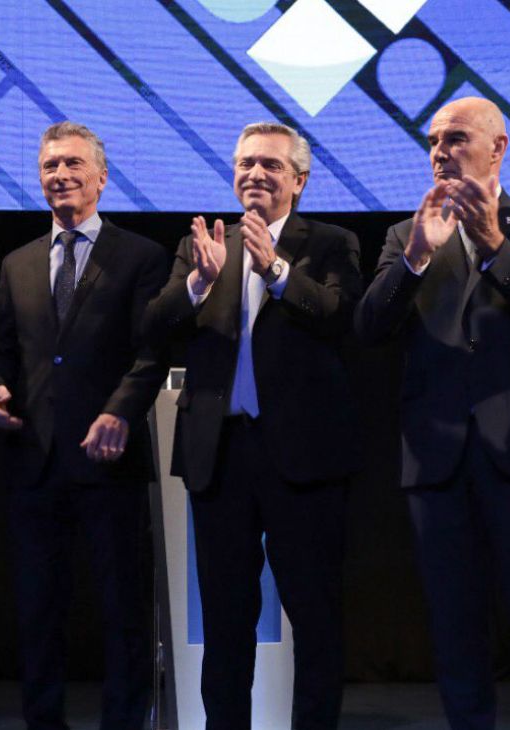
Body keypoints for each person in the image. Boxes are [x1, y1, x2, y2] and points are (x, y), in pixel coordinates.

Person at [355, 98, 510, 729]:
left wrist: (492, 242)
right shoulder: (406, 234)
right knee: (454, 627)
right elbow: (370, 328)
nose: (440, 150)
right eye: (433, 140)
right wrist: (416, 261)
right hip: (437, 457)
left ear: (497, 148)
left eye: (455, 137)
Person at [142, 122, 362, 729]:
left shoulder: (332, 242)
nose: (254, 174)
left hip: (304, 458)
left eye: (269, 164)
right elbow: (154, 326)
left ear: (300, 178)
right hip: (222, 455)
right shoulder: (205, 245)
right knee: (226, 621)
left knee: (315, 619)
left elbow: (342, 317)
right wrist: (199, 283)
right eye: (245, 163)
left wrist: (281, 272)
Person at [0, 121, 169, 730]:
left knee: (123, 612)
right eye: (48, 167)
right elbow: (3, 350)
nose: (59, 176)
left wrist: (119, 410)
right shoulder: (17, 262)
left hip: (108, 461)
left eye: (71, 165)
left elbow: (152, 351)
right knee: (38, 614)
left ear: (101, 177)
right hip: (34, 463)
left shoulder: (139, 255)